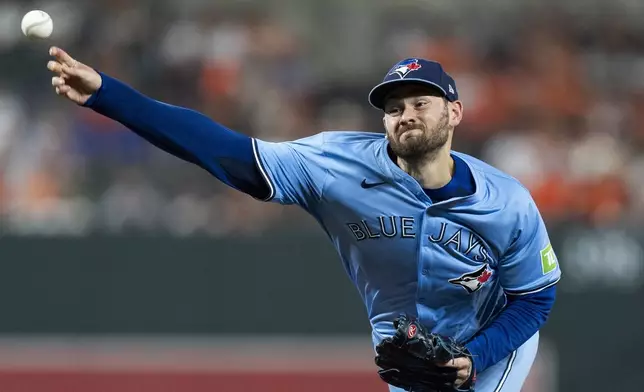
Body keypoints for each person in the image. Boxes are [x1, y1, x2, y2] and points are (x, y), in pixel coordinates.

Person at [47, 48, 561, 391]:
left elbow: (536, 296)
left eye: (421, 102)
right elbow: (224, 152)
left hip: (493, 339)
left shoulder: (506, 201)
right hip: (412, 349)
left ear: (454, 113)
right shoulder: (336, 166)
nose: (405, 114)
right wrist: (107, 95)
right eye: (394, 107)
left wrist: (476, 357)